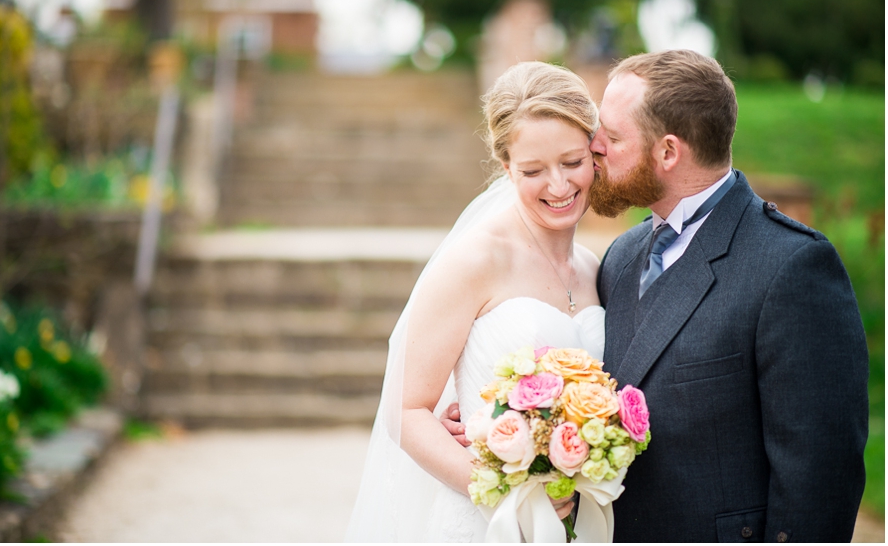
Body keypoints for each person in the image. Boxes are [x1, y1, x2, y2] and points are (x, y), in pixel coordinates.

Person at [587, 49, 869, 542]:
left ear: (668, 152)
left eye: (611, 137)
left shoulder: (792, 267)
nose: (594, 147)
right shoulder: (620, 256)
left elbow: (820, 479)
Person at [345, 61, 608, 542]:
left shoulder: (596, 269)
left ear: (595, 152)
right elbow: (405, 414)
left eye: (572, 162)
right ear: (506, 167)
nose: (558, 186)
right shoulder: (473, 261)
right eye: (532, 170)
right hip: (484, 520)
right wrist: (515, 493)